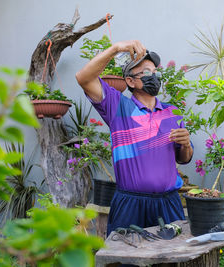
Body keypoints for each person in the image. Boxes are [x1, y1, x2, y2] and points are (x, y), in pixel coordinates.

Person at [76, 40, 193, 236]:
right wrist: (116, 49)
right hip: (130, 204)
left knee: (172, 260)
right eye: (147, 72)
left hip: (169, 203)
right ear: (130, 81)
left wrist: (186, 145)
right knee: (125, 261)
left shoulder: (172, 113)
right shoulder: (118, 107)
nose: (153, 77)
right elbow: (83, 77)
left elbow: (183, 158)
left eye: (154, 72)